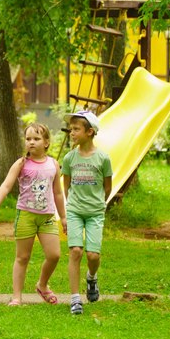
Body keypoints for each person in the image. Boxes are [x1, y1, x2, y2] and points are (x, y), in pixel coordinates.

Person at [0, 123, 66, 306]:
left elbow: (58, 193)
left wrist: (63, 217)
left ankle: (42, 285)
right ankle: (17, 297)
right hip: (25, 216)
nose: (31, 142)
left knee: (54, 255)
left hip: (47, 217)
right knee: (22, 257)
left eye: (36, 139)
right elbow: (6, 185)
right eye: (28, 139)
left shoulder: (53, 164)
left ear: (46, 142)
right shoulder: (21, 163)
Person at [61, 110, 113, 315]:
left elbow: (107, 187)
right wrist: (71, 206)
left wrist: (98, 204)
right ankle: (75, 299)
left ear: (89, 132)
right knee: (75, 251)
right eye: (71, 129)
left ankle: (91, 278)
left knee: (93, 255)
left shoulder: (103, 159)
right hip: (74, 211)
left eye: (76, 129)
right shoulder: (69, 158)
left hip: (95, 213)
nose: (72, 133)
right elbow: (66, 185)